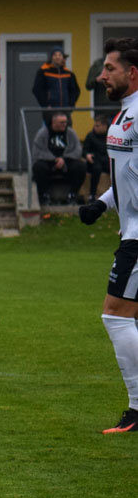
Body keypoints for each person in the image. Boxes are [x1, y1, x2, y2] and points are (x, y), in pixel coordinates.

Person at [77, 38, 138, 431]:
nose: (101, 76)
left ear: (132, 73)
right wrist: (102, 203)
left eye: (109, 69)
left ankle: (137, 409)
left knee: (114, 314)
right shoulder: (123, 115)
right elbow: (128, 178)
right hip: (130, 232)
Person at [31, 112, 85, 207]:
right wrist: (54, 159)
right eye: (62, 122)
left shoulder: (71, 133)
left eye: (65, 122)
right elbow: (37, 151)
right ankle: (44, 196)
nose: (65, 124)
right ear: (54, 122)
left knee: (81, 166)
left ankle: (72, 195)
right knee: (38, 167)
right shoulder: (42, 133)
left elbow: (78, 150)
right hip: (48, 162)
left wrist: (64, 159)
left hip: (67, 162)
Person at [32, 47, 79, 121]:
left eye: (60, 55)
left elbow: (75, 90)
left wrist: (71, 105)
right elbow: (37, 90)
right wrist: (46, 105)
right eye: (55, 55)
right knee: (49, 128)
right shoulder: (43, 71)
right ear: (51, 57)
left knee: (66, 127)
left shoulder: (68, 73)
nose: (57, 57)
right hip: (50, 110)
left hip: (65, 110)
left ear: (63, 57)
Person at [86, 113, 111, 197]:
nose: (94, 128)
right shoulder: (90, 135)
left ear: (104, 126)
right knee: (96, 169)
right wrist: (87, 155)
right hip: (95, 160)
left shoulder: (111, 135)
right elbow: (85, 149)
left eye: (97, 126)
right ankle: (92, 195)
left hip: (107, 160)